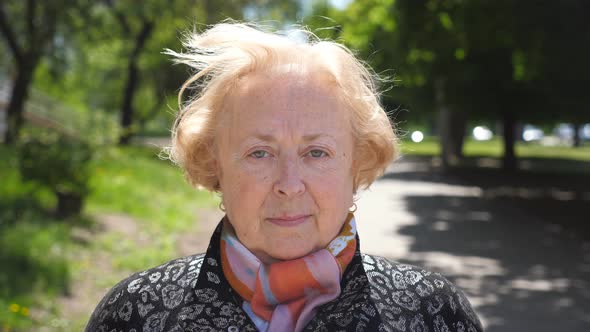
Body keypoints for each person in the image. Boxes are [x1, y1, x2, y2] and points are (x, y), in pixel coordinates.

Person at [85, 22, 483, 332]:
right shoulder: (135, 312)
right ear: (214, 164)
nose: (289, 184)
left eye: (317, 153)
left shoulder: (433, 312)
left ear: (357, 164)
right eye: (260, 152)